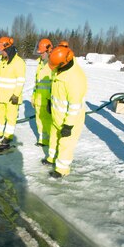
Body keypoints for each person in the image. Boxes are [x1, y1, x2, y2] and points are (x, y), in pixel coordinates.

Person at [42, 45, 87, 178]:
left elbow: (75, 106)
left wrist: (68, 125)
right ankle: (52, 158)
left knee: (66, 144)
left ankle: (62, 170)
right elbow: (55, 88)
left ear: (63, 63)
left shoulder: (75, 79)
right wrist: (50, 102)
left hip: (70, 119)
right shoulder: (59, 69)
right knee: (54, 138)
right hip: (57, 115)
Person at [0, 37, 26, 145]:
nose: (1, 53)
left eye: (2, 51)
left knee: (11, 118)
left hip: (12, 97)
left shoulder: (19, 62)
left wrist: (16, 95)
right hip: (1, 96)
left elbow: (20, 81)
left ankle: (8, 136)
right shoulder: (1, 61)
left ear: (8, 49)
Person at [31, 38, 53, 146]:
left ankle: (51, 142)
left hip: (48, 100)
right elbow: (37, 83)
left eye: (42, 53)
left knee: (48, 122)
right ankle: (43, 140)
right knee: (39, 120)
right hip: (39, 99)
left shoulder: (53, 64)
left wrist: (52, 100)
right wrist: (33, 97)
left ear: (48, 51)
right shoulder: (40, 64)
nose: (40, 55)